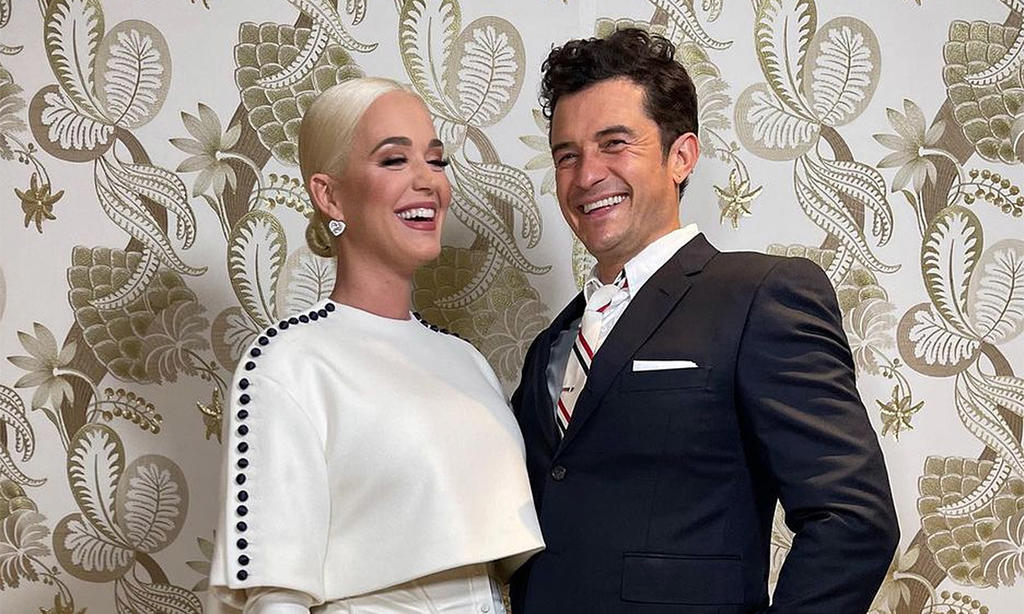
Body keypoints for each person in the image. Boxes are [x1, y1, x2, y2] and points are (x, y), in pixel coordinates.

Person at [509, 28, 899, 613]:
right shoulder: (550, 345)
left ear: (681, 156)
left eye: (615, 144)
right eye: (567, 155)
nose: (586, 175)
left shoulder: (761, 297)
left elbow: (853, 520)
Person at [208, 77, 544, 614]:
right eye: (393, 160)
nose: (427, 181)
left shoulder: (467, 362)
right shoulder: (288, 363)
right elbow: (275, 596)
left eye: (436, 160)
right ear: (330, 195)